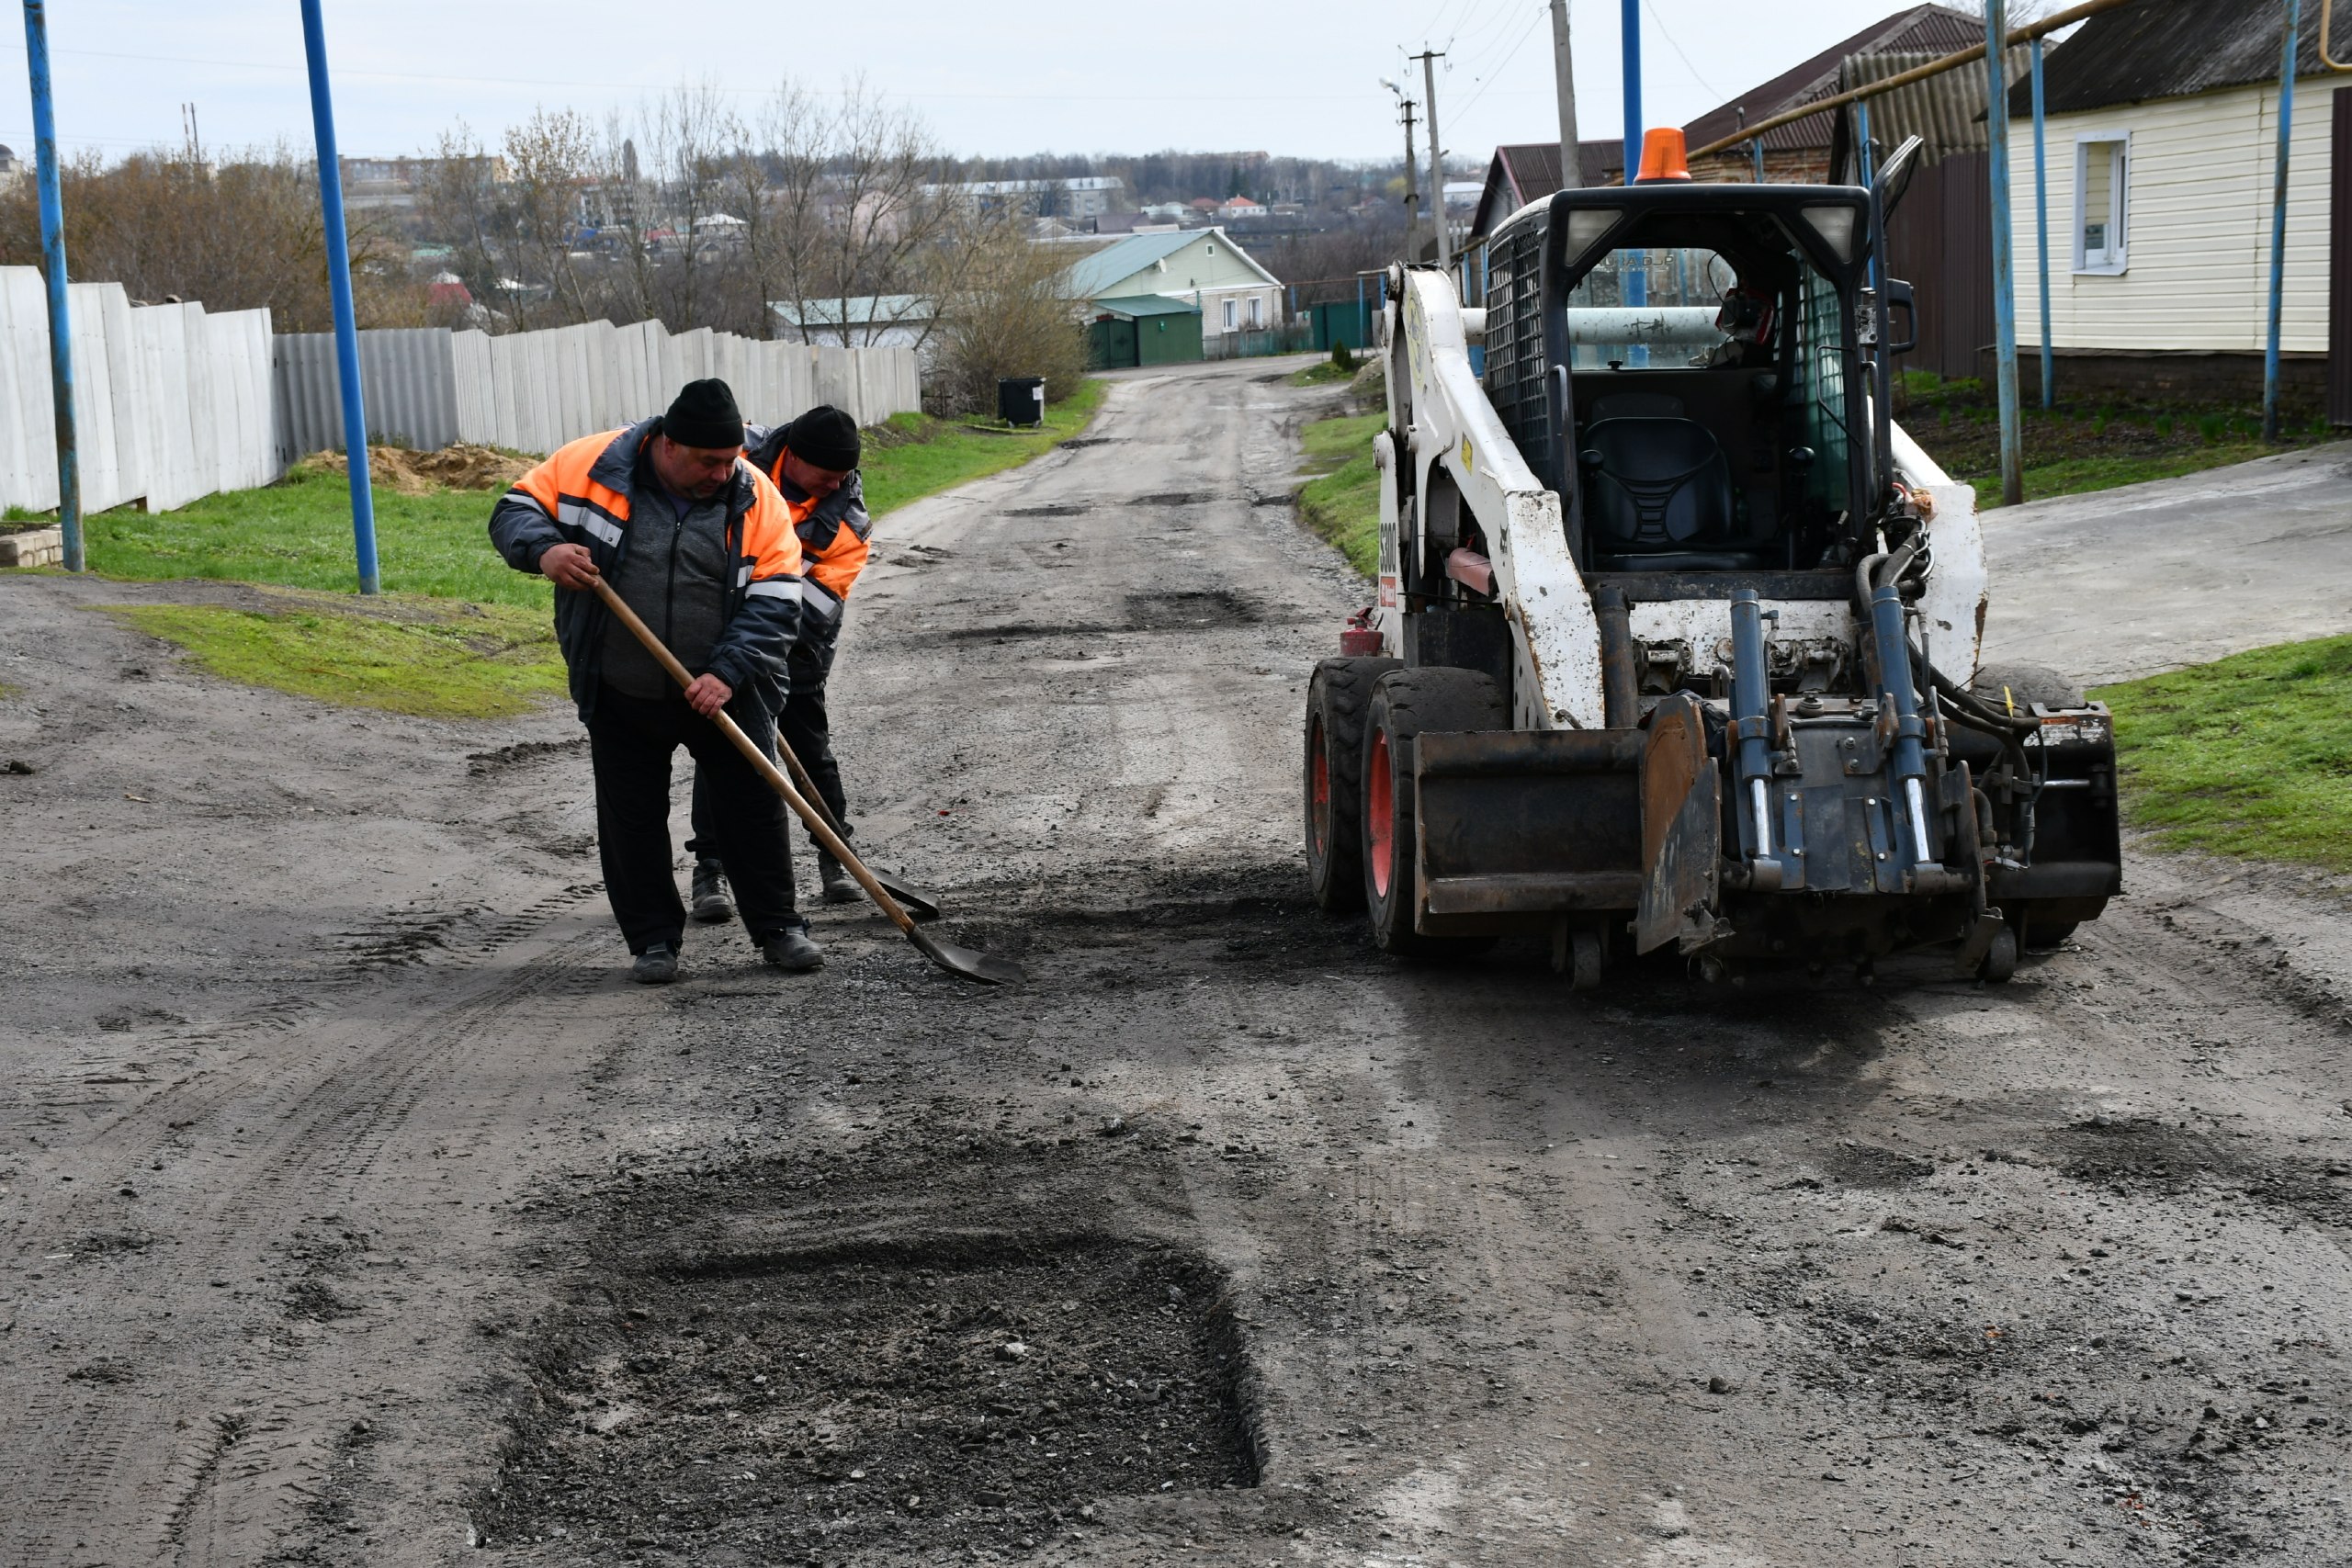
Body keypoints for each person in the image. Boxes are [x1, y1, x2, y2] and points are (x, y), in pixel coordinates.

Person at [488, 378, 825, 983]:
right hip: (621, 685)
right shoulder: (591, 464)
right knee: (631, 817)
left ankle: (779, 928)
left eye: (731, 460)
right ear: (667, 444)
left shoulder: (758, 500)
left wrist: (726, 671)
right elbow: (515, 508)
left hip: (725, 691)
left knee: (751, 807)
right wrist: (543, 551)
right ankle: (652, 940)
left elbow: (777, 601)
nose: (723, 473)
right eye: (708, 461)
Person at [686, 404, 874, 920]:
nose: (837, 485)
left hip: (797, 644)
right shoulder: (738, 454)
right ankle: (711, 869)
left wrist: (753, 647)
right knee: (725, 746)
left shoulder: (848, 523)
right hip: (715, 633)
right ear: (793, 457)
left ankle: (837, 857)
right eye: (827, 474)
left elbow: (812, 610)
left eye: (844, 476)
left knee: (809, 751)